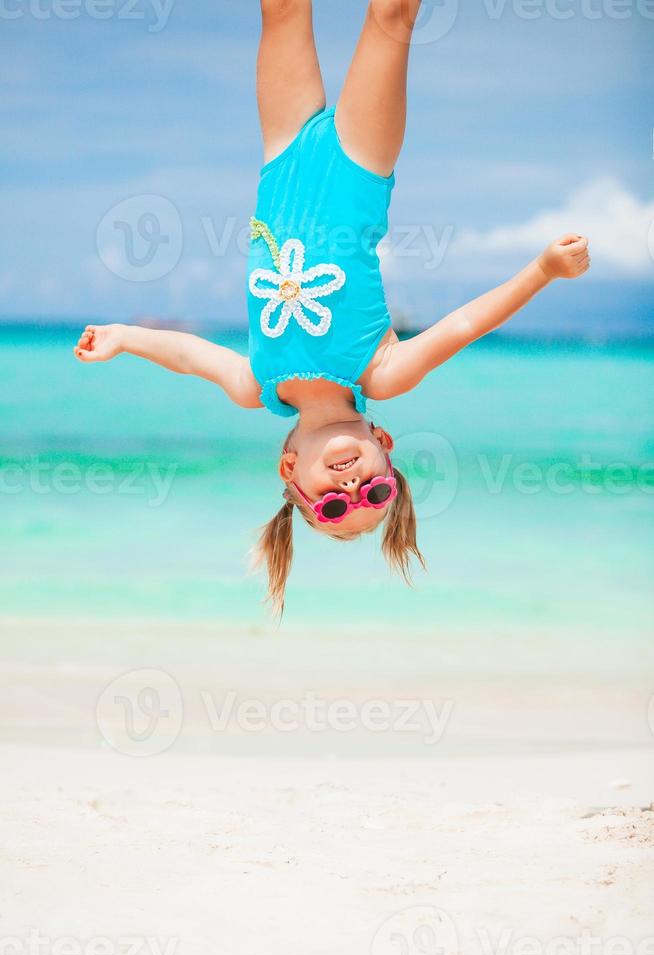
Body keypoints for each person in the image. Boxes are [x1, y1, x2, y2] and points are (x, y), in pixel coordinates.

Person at [75, 0, 590, 612]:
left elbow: (188, 355)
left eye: (335, 505)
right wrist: (543, 270)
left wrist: (124, 336)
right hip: (359, 164)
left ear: (290, 473)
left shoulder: (257, 386)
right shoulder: (381, 371)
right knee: (392, 15)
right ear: (386, 445)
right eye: (377, 493)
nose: (354, 486)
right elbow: (466, 324)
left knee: (283, 11)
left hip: (283, 153)